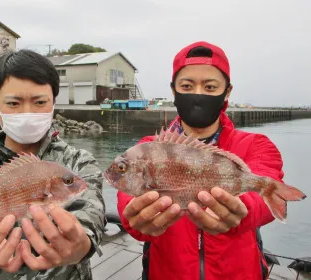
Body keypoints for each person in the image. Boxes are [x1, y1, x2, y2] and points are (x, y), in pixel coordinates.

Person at [117, 41, 285, 280]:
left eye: (210, 87)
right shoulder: (146, 148)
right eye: (187, 85)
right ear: (174, 91)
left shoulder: (257, 144)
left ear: (227, 91)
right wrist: (135, 219)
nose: (198, 94)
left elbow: (266, 187)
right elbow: (127, 202)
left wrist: (240, 212)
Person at [0, 49, 106, 280]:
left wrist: (81, 244)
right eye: (14, 103)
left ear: (53, 103)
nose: (27, 112)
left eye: (39, 102)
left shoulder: (79, 162)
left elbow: (92, 218)